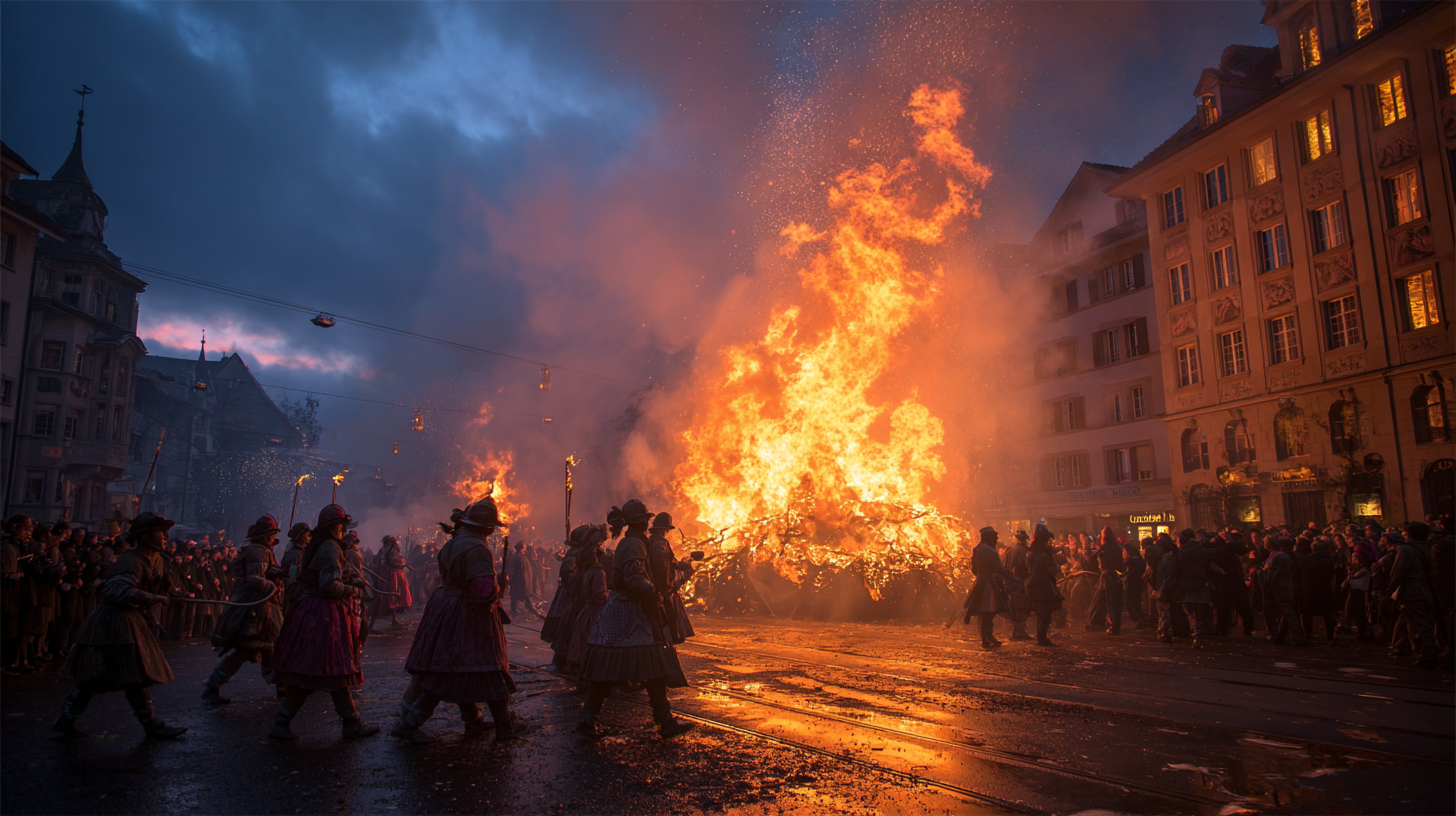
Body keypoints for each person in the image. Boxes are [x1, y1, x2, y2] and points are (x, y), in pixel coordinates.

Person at [392, 498, 525, 743]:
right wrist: (498, 588)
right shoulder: (479, 549)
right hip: (469, 614)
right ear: (486, 527)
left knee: (460, 667)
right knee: (484, 667)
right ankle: (410, 724)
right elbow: (482, 590)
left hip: (447, 607)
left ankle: (473, 721)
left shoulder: (454, 542)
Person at [53, 512, 188, 739]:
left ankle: (69, 718)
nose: (165, 536)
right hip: (113, 620)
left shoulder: (158, 559)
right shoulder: (129, 560)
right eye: (159, 531)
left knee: (130, 675)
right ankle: (151, 725)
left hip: (131, 620)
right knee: (110, 675)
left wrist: (176, 594)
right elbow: (115, 590)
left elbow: (165, 584)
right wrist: (152, 598)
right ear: (145, 536)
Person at [577, 499, 694, 740]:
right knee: (616, 670)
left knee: (653, 669)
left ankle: (664, 721)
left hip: (633, 611)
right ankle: (588, 721)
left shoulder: (635, 541)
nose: (646, 523)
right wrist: (655, 595)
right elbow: (633, 579)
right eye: (644, 520)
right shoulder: (632, 544)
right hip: (629, 613)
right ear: (640, 522)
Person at [267, 504, 379, 741]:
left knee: (326, 672)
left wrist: (349, 576)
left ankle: (350, 721)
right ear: (333, 527)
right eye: (341, 525)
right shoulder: (329, 547)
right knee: (326, 669)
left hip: (314, 612)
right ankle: (285, 722)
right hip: (323, 615)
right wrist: (353, 589)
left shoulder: (321, 545)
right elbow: (329, 585)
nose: (343, 529)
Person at [202, 514, 287, 705]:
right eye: (272, 534)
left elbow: (266, 571)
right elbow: (254, 578)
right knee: (247, 648)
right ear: (265, 535)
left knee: (270, 646)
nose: (274, 538)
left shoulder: (263, 550)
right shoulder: (257, 551)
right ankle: (212, 686)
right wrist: (271, 586)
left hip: (263, 604)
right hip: (255, 607)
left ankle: (281, 685)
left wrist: (280, 572)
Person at [1388, 523, 1439, 669]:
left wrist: (1389, 591)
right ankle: (1401, 648)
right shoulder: (1430, 547)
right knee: (1410, 622)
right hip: (1426, 590)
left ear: (1408, 534)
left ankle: (1426, 656)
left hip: (1412, 591)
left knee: (1418, 625)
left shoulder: (1405, 550)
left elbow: (1398, 572)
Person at [648, 513, 695, 644]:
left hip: (653, 586)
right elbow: (662, 565)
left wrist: (680, 565)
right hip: (662, 589)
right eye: (666, 529)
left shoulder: (650, 541)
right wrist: (664, 589)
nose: (667, 531)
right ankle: (669, 642)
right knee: (668, 619)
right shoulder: (660, 543)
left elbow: (670, 562)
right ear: (663, 529)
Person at [962, 527, 1009, 650]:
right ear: (989, 538)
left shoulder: (977, 549)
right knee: (988, 611)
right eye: (994, 537)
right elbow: (997, 567)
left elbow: (974, 569)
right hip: (990, 584)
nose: (996, 540)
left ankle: (988, 636)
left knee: (987, 612)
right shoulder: (991, 551)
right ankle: (986, 638)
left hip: (981, 582)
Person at [1263, 536, 1308, 646]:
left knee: (1282, 613)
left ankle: (1296, 637)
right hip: (1288, 587)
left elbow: (1271, 576)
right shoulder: (1289, 556)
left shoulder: (1277, 557)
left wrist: (1266, 583)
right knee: (1288, 613)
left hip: (1278, 589)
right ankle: (1283, 636)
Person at [1025, 525, 1062, 646]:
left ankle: (1041, 637)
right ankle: (1041, 638)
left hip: (1032, 586)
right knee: (1045, 614)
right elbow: (1053, 569)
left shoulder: (1030, 553)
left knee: (1041, 613)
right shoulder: (1045, 555)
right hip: (1043, 586)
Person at [1086, 527, 1125, 635]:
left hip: (1108, 578)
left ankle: (1113, 626)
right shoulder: (1117, 547)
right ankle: (1108, 623)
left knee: (1110, 602)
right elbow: (1121, 565)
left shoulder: (1105, 548)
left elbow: (1091, 560)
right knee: (1111, 602)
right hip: (1115, 577)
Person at [1299, 539, 1338, 643]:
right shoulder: (1330, 561)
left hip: (1309, 590)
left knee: (1308, 613)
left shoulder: (1306, 561)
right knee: (1328, 614)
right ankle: (1331, 635)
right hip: (1325, 590)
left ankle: (1308, 633)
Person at [370, 535, 413, 630]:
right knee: (392, 596)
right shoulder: (390, 550)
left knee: (392, 597)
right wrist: (401, 564)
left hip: (391, 575)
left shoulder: (386, 550)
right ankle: (375, 623)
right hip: (393, 575)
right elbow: (391, 562)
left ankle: (393, 619)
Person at [1002, 530, 1032, 641]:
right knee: (1023, 607)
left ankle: (1016, 631)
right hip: (1021, 583)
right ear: (1024, 540)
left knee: (1014, 607)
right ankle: (1020, 631)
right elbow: (1025, 567)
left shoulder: (1009, 551)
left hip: (1010, 583)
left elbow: (1004, 566)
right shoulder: (1025, 551)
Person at [279, 522, 310, 618]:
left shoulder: (300, 552)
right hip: (293, 593)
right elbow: (292, 578)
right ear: (300, 536)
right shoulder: (296, 554)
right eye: (307, 535)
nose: (309, 538)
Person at [504, 539, 530, 615]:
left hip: (518, 579)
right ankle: (514, 610)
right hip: (518, 579)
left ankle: (515, 609)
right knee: (515, 594)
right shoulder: (517, 557)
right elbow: (511, 569)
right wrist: (511, 577)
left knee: (515, 594)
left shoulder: (518, 556)